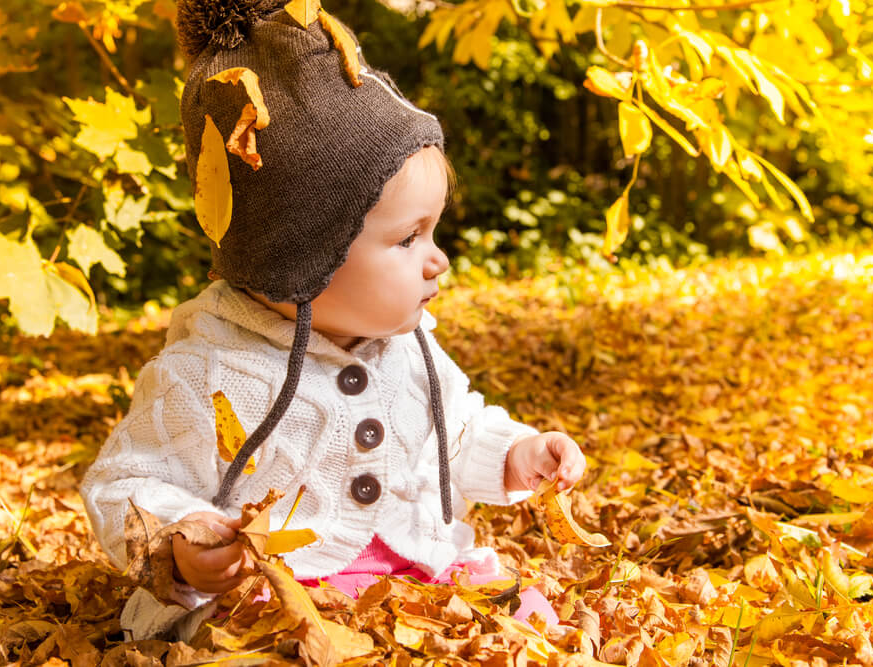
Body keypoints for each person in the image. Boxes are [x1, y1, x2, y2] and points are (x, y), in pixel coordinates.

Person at [80, 0, 585, 637]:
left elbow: (455, 432)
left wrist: (516, 453)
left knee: (518, 615)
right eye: (409, 238)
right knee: (271, 639)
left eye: (433, 232)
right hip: (275, 589)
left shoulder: (411, 351)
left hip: (411, 572)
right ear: (305, 255)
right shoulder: (207, 370)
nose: (439, 260)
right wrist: (184, 540)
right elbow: (125, 482)